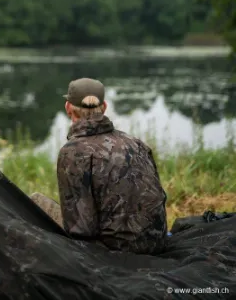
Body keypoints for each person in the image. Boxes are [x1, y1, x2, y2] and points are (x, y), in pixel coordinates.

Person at [31, 77, 168, 255]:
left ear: (67, 108)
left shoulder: (72, 151)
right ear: (104, 107)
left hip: (113, 253)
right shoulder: (136, 143)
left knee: (34, 202)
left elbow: (82, 230)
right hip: (158, 243)